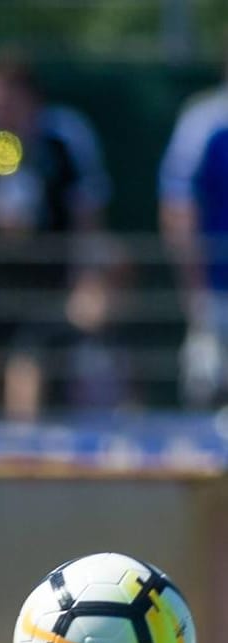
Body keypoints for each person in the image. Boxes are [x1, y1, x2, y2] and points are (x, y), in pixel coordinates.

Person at [0, 49, 114, 420]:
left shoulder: (63, 136)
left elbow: (87, 210)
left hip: (51, 277)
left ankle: (24, 449)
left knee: (33, 357)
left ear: (26, 96)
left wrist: (89, 277)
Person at [159, 41, 228, 409]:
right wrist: (198, 300)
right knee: (207, 398)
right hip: (218, 298)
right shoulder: (204, 122)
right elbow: (177, 210)